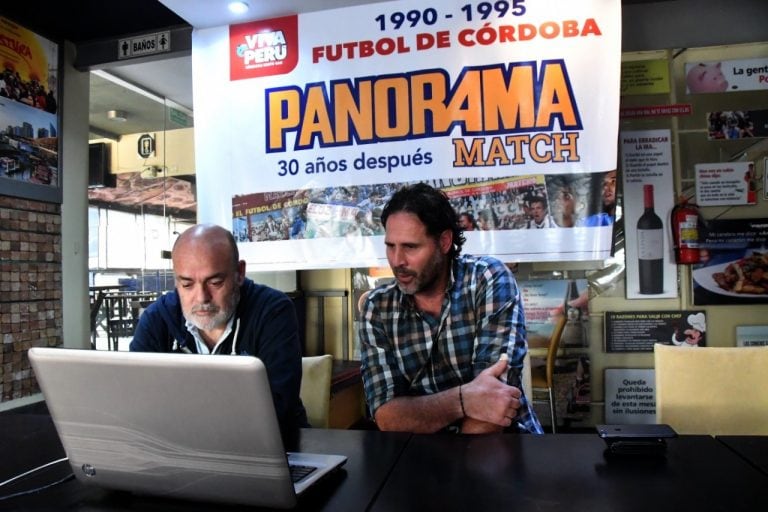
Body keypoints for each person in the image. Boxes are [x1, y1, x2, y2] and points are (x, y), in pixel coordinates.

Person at [359, 183, 543, 434]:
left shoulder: (487, 278)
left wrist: (425, 416)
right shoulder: (377, 307)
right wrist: (464, 399)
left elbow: (494, 406)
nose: (397, 261)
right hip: (421, 459)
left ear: (444, 242)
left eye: (410, 247)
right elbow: (388, 417)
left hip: (503, 448)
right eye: (391, 246)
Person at [130, 223, 309, 433]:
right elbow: (135, 402)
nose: (202, 297)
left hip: (272, 447)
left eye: (215, 282)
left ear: (239, 273)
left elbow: (276, 408)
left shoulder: (272, 312)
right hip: (180, 448)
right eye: (187, 284)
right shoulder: (157, 319)